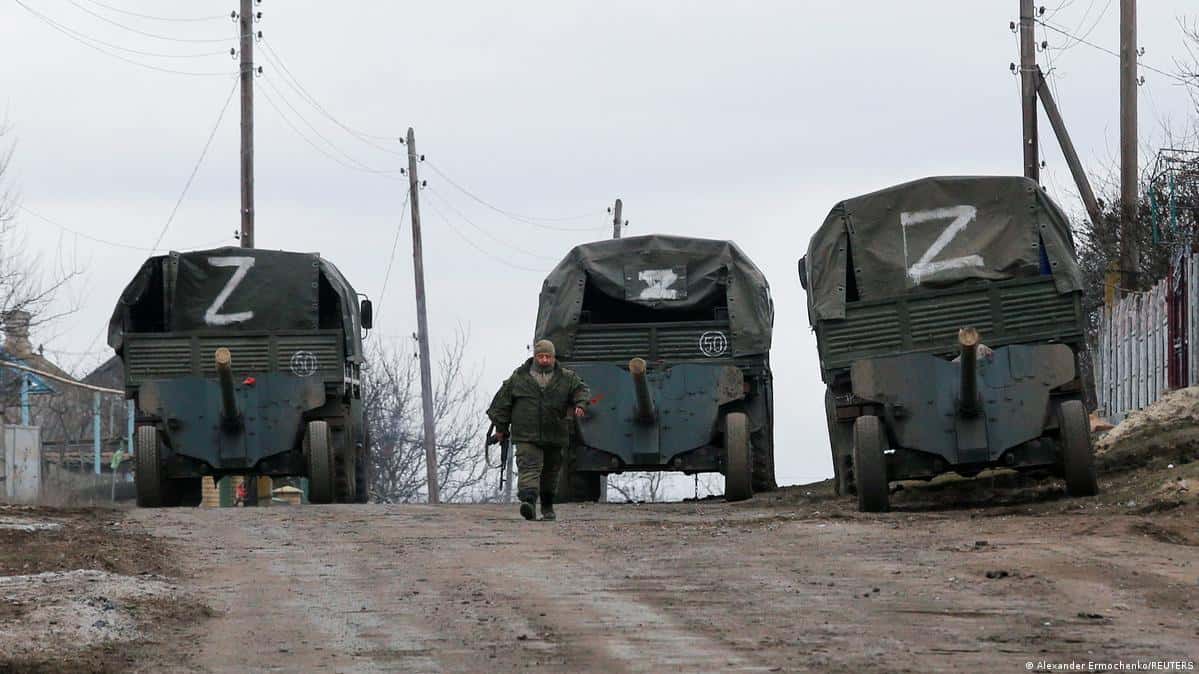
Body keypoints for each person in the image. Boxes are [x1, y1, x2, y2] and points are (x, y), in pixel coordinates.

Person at [487, 339, 590, 521]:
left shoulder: (566, 377)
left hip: (555, 433)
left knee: (551, 471)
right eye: (540, 356)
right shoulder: (519, 378)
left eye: (547, 357)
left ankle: (548, 506)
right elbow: (502, 404)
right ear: (534, 357)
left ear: (553, 357)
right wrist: (501, 429)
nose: (544, 360)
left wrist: (580, 404)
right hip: (526, 434)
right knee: (529, 467)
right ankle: (528, 502)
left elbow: (581, 390)